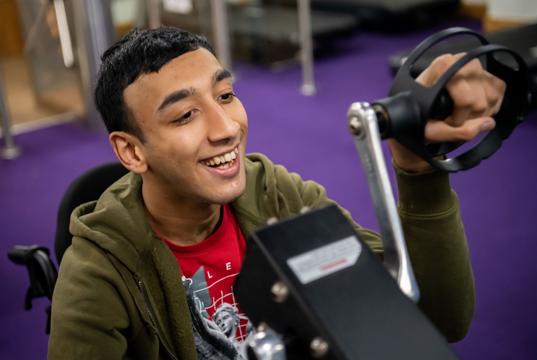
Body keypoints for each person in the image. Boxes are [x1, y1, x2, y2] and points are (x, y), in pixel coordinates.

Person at [48, 26, 504, 359]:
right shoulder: (98, 270)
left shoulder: (277, 195)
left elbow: (437, 319)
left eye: (225, 96)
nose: (227, 129)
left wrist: (420, 173)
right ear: (131, 151)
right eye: (185, 115)